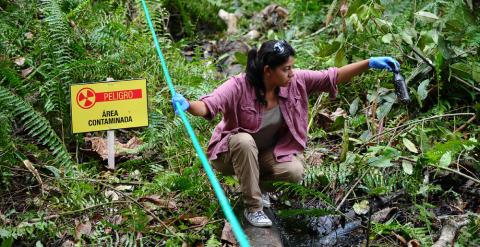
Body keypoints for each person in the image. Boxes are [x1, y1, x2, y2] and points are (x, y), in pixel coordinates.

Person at [171, 40, 400, 227]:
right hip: (230, 155)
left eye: (292, 67)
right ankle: (253, 207)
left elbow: (333, 76)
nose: (292, 73)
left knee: (294, 171)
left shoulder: (296, 81)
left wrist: (369, 63)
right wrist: (187, 105)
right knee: (243, 139)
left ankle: (256, 188)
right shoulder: (239, 85)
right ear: (268, 71)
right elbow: (210, 104)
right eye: (286, 69)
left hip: (265, 156)